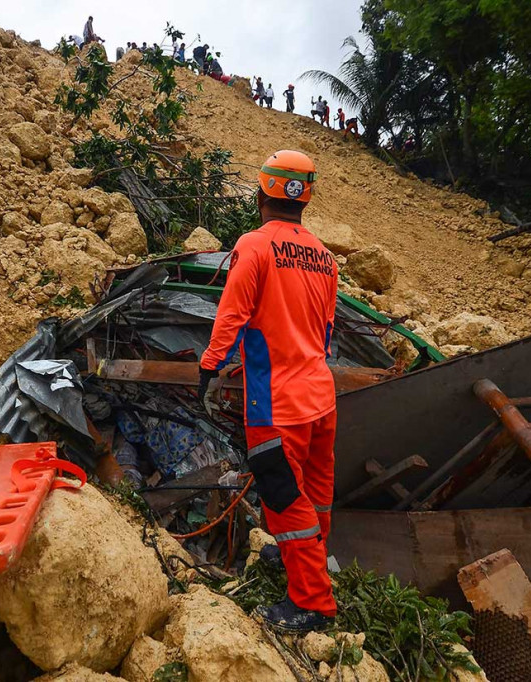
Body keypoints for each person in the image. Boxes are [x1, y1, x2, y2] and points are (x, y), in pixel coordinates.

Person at [198, 150, 338, 633]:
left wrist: (210, 364)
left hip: (275, 401)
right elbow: (325, 332)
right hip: (321, 394)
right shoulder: (324, 256)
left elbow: (232, 315)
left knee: (282, 497)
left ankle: (312, 602)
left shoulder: (254, 246)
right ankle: (309, 559)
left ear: (261, 195)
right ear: (305, 202)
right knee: (316, 493)